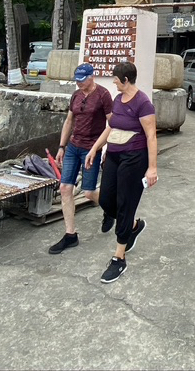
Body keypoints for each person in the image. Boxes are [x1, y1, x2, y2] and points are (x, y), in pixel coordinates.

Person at [85, 61, 158, 283]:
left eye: (116, 79)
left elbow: (151, 136)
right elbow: (111, 127)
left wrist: (152, 168)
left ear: (125, 80)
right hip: (114, 155)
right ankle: (134, 226)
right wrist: (95, 148)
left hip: (134, 158)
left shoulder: (143, 103)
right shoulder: (118, 99)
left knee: (126, 204)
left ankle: (119, 258)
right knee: (107, 199)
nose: (114, 82)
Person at [48, 63, 113, 255]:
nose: (79, 83)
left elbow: (112, 123)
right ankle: (70, 235)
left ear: (92, 77)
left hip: (91, 148)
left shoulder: (103, 95)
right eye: (77, 79)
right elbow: (69, 120)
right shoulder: (76, 95)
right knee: (65, 188)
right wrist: (61, 146)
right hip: (73, 146)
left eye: (82, 79)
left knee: (89, 192)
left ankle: (109, 207)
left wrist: (104, 148)